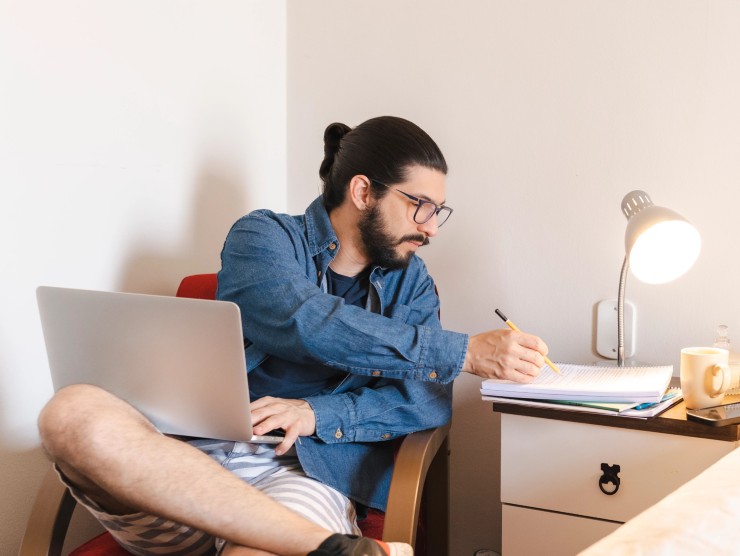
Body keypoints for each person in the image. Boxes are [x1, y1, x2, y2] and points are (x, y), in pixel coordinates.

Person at [38, 116, 549, 556]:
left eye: (438, 211)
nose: (431, 227)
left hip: (297, 474)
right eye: (420, 205)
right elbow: (305, 322)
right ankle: (330, 550)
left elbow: (424, 403)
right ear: (363, 191)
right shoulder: (262, 237)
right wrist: (463, 351)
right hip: (182, 472)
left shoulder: (410, 283)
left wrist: (316, 414)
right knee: (70, 411)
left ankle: (310, 540)